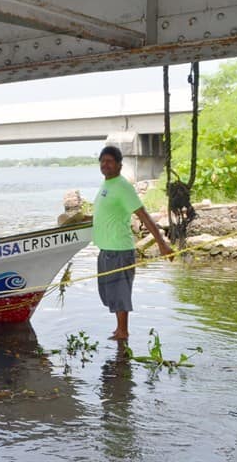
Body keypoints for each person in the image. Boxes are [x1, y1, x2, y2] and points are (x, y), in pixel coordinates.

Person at [92, 145, 173, 341]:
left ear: (120, 165)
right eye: (103, 161)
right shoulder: (106, 185)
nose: (105, 165)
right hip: (106, 249)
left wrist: (162, 244)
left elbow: (143, 215)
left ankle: (123, 332)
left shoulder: (122, 186)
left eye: (110, 161)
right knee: (108, 292)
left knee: (120, 292)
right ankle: (119, 329)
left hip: (120, 249)